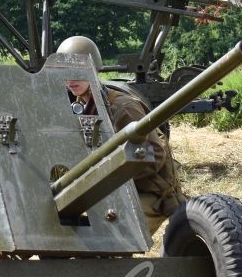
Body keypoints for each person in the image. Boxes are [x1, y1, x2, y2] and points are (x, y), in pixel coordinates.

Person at [57, 36, 187, 235]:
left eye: (78, 71)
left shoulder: (121, 107)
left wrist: (106, 174)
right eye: (65, 72)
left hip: (151, 194)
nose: (71, 79)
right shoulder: (82, 104)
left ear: (93, 69)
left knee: (108, 239)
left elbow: (155, 156)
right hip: (110, 191)